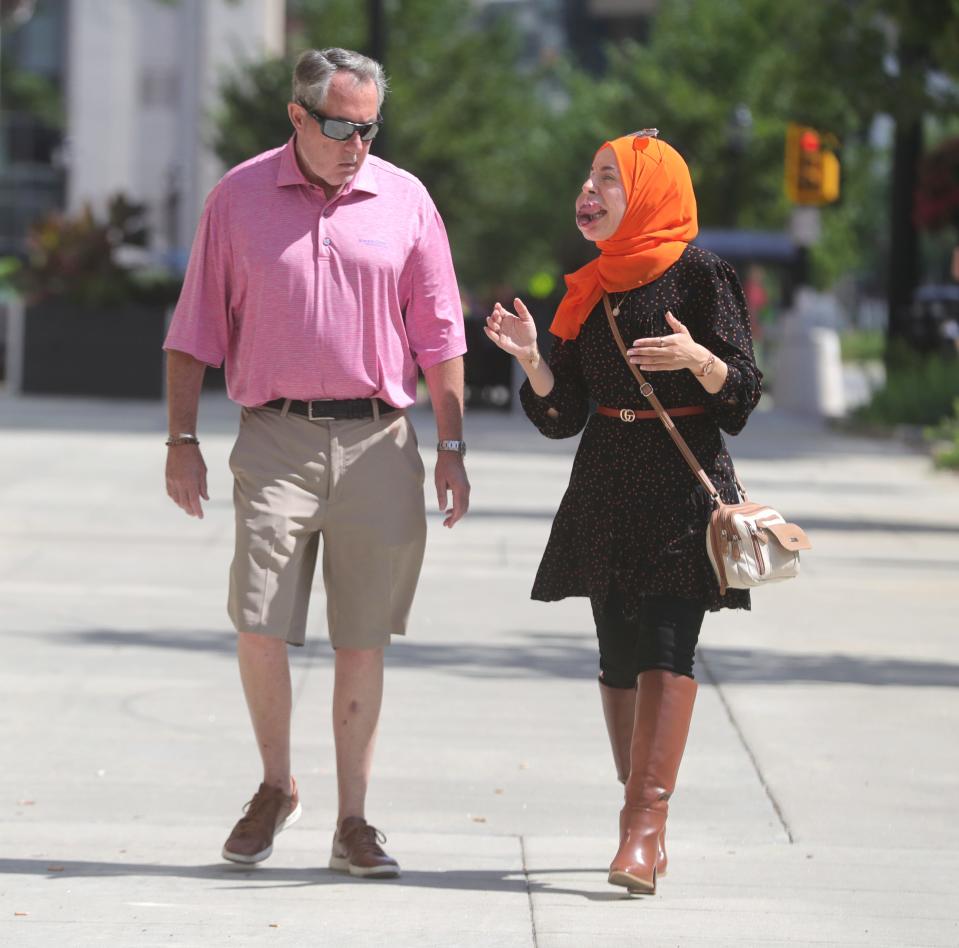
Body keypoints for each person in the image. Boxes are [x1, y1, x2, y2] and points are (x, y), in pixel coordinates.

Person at [163, 48, 470, 879]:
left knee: (361, 637)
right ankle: (273, 786)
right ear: (297, 117)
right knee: (259, 618)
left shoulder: (405, 201)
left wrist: (451, 446)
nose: (356, 143)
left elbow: (441, 335)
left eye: (368, 127)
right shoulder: (238, 199)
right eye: (340, 126)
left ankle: (354, 822)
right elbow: (194, 330)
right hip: (274, 437)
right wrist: (181, 440)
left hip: (381, 441)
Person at [484, 130, 761, 894]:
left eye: (609, 177)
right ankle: (638, 802)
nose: (590, 188)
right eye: (589, 175)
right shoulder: (588, 286)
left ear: (649, 191)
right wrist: (534, 358)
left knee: (667, 648)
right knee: (615, 656)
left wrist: (698, 361)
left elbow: (741, 392)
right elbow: (562, 413)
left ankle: (643, 829)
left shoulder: (701, 274)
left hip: (681, 484)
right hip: (605, 482)